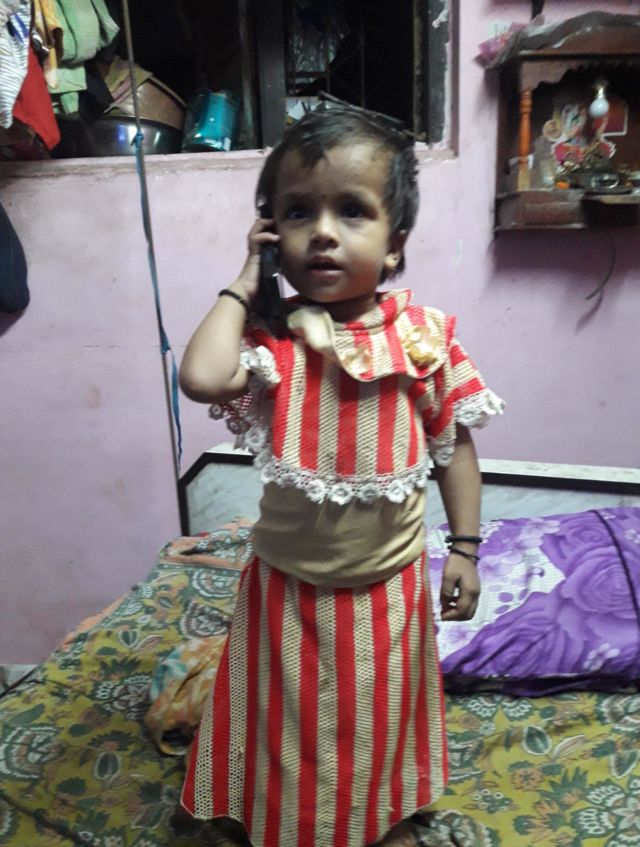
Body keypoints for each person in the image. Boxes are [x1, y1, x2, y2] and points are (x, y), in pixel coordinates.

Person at [177, 105, 504, 847]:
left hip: (388, 589)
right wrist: (243, 284)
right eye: (298, 212)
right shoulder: (275, 343)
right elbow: (201, 378)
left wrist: (466, 548)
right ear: (272, 236)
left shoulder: (424, 341)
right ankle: (275, 816)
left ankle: (377, 818)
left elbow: (453, 448)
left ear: (395, 245)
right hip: (287, 590)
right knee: (281, 719)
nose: (323, 231)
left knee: (378, 718)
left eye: (352, 211)